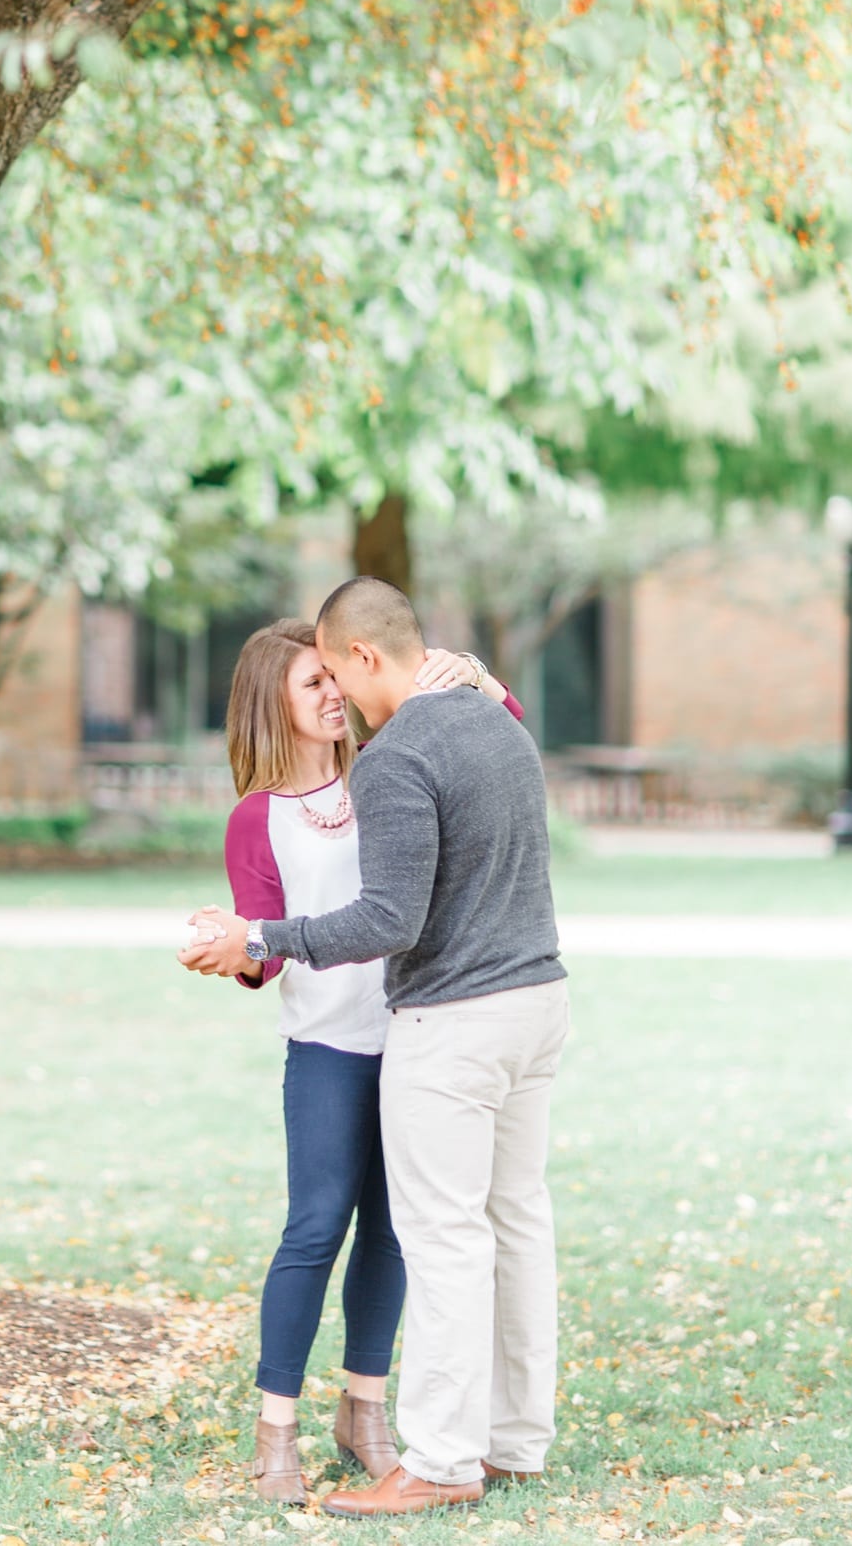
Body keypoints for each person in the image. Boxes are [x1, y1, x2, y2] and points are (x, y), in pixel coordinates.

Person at [183, 577, 567, 1519]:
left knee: (420, 1236)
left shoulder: (394, 762)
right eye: (307, 683)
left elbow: (392, 910)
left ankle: (403, 1436)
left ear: (360, 661)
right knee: (381, 1227)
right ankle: (312, 1429)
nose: (333, 698)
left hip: (433, 1028)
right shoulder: (479, 728)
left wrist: (261, 939)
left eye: (334, 676)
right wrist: (238, 943)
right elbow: (268, 948)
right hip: (415, 1031)